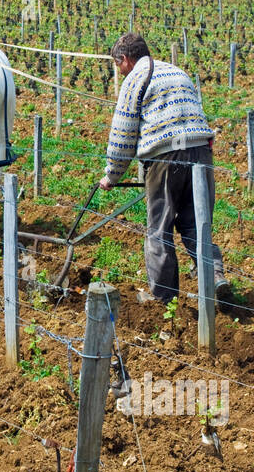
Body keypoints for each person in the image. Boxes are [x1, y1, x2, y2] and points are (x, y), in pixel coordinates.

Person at [98, 32, 229, 305]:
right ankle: (216, 276)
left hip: (165, 155)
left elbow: (123, 134)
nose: (119, 72)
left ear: (125, 59)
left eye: (117, 65)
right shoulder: (177, 72)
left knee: (160, 228)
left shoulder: (135, 79)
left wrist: (112, 174)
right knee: (196, 223)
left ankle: (163, 299)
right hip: (201, 151)